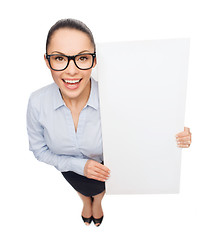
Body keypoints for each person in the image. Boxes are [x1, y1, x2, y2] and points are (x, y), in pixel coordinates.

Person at [26, 18, 192, 227]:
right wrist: (77, 165)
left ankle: (97, 203)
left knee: (99, 190)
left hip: (107, 169)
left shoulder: (117, 96)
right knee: (81, 189)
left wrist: (173, 131)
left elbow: (144, 127)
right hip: (67, 168)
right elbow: (39, 150)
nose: (71, 70)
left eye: (82, 58)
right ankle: (86, 202)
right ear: (47, 60)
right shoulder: (36, 102)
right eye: (60, 58)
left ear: (94, 61)